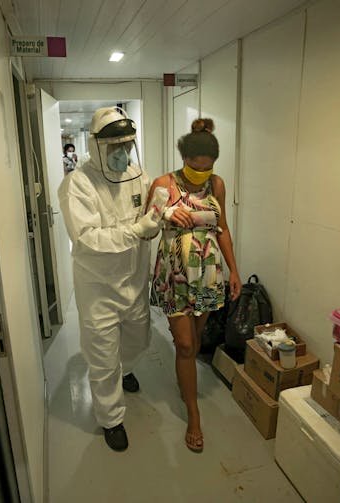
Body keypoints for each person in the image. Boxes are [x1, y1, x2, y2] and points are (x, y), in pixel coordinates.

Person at [58, 107, 169, 452]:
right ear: (96, 148)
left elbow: (152, 210)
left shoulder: (136, 174)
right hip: (98, 288)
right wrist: (138, 230)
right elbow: (88, 238)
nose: (123, 155)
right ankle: (111, 418)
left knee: (138, 338)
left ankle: (127, 369)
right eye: (114, 148)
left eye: (127, 145)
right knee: (103, 356)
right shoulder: (77, 185)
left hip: (134, 280)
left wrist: (158, 220)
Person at [149, 118, 241, 453]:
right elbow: (145, 228)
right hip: (175, 275)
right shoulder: (163, 183)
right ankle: (194, 414)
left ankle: (184, 377)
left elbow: (223, 229)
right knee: (186, 345)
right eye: (194, 168)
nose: (200, 173)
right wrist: (167, 213)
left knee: (196, 339)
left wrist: (234, 270)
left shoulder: (216, 184)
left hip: (207, 273)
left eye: (207, 168)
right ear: (183, 158)